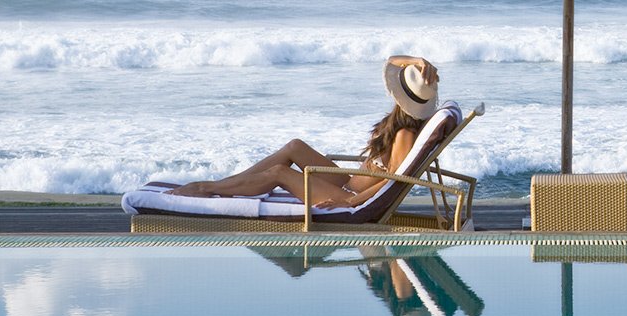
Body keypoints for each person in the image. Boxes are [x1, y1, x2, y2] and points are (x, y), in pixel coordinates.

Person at [169, 55, 440, 209]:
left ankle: (208, 188)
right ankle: (227, 184)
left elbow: (396, 181)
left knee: (280, 174)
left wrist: (351, 202)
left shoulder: (404, 134)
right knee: (295, 146)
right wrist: (418, 60)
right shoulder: (402, 126)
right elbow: (392, 60)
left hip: (347, 195)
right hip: (344, 181)